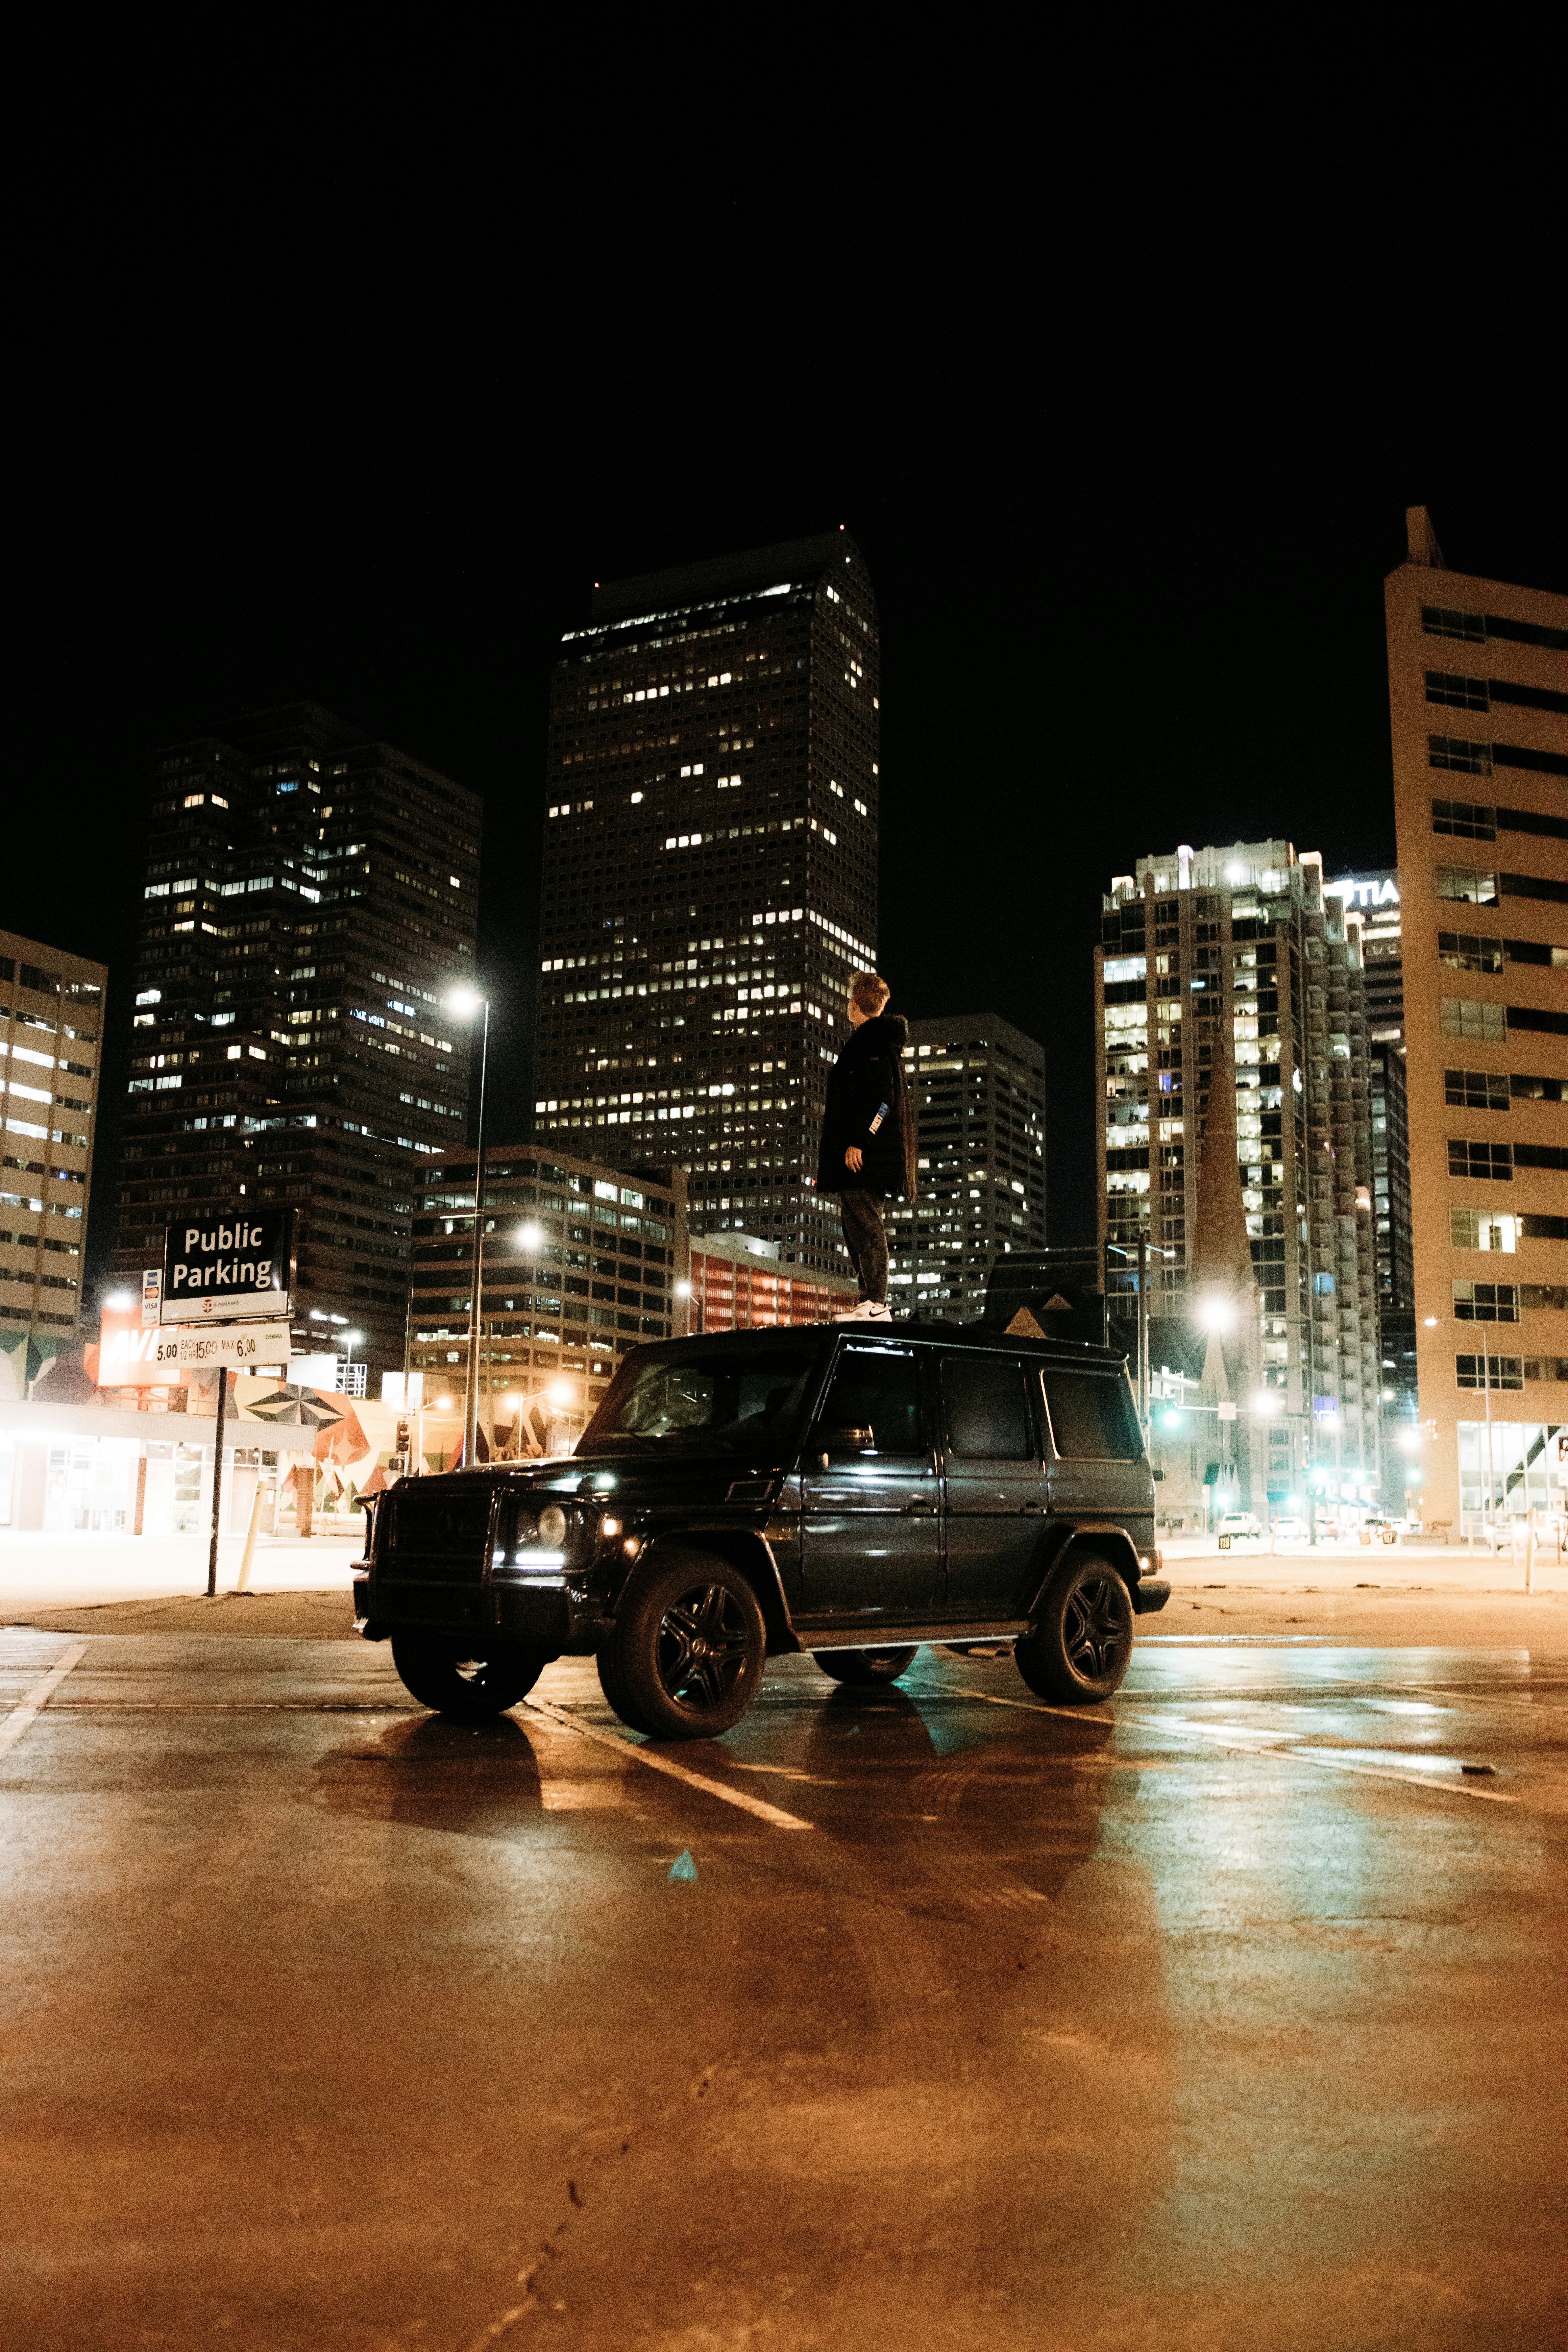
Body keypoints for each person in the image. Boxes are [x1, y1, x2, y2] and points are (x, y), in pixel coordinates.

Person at [814, 971, 917, 1320]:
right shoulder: (872, 1042)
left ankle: (876, 1301)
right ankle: (868, 1300)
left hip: (865, 1159)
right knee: (854, 1229)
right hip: (857, 1159)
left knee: (867, 1226)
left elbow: (883, 1102)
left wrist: (860, 1141)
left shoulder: (871, 1044)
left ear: (853, 1005)